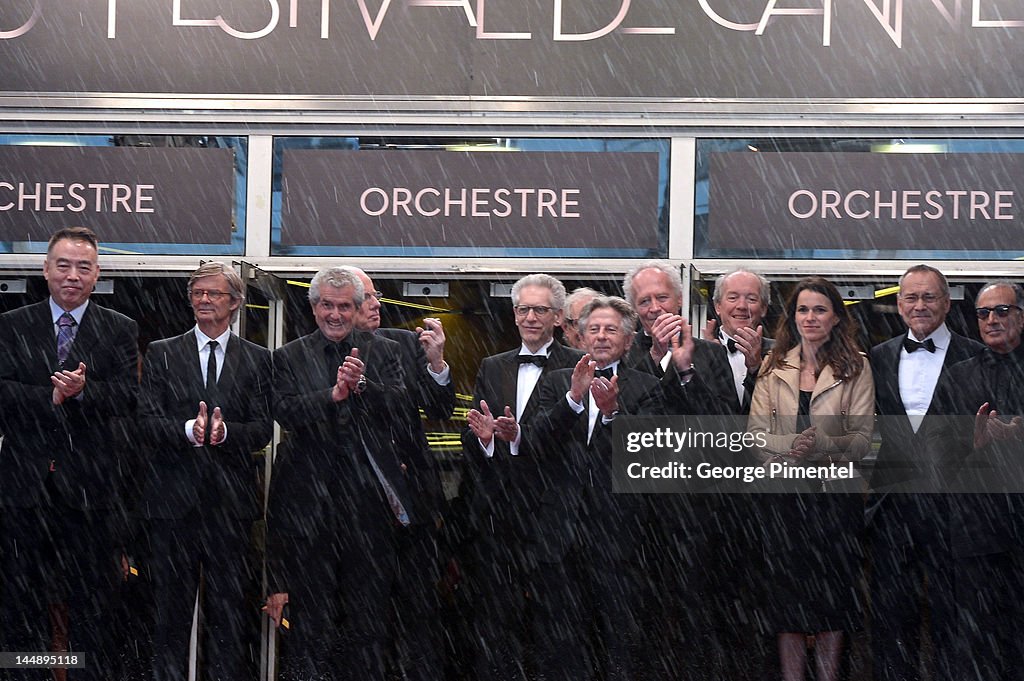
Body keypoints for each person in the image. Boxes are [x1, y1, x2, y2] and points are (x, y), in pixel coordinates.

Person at [264, 267, 422, 681]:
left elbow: (402, 409)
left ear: (357, 308)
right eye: (327, 305)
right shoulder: (288, 355)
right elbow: (283, 411)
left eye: (344, 306)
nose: (335, 314)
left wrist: (362, 383)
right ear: (314, 307)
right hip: (310, 508)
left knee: (368, 624)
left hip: (369, 508)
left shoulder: (383, 350)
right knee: (310, 627)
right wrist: (331, 395)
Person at [0, 227, 139, 680]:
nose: (73, 275)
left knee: (94, 610)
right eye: (64, 265)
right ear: (45, 269)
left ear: (97, 274)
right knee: (20, 608)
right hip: (24, 493)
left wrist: (84, 392)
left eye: (84, 267)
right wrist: (49, 399)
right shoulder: (12, 325)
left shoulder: (120, 329)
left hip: (91, 497)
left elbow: (128, 398)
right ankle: (28, 675)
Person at [137, 261, 273, 681]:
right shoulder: (163, 352)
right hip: (172, 507)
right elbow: (143, 421)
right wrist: (188, 431)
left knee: (228, 613)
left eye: (213, 294)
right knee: (169, 616)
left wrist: (225, 432)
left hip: (229, 509)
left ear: (235, 302)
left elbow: (263, 429)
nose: (204, 300)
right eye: (197, 293)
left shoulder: (257, 358)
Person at [747, 276, 874, 681]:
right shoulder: (773, 365)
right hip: (783, 504)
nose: (810, 317)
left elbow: (861, 441)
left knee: (832, 604)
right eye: (802, 309)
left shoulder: (857, 366)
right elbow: (754, 438)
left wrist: (818, 447)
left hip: (835, 502)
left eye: (819, 309)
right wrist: (793, 445)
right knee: (786, 607)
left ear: (836, 317)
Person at [460, 273, 585, 679]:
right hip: (499, 519)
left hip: (556, 517)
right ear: (514, 315)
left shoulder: (577, 367)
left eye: (540, 310)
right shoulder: (491, 366)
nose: (531, 317)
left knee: (557, 629)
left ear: (558, 317)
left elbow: (573, 441)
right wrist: (486, 441)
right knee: (495, 624)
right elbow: (475, 438)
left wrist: (521, 438)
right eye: (523, 309)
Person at [533, 295, 664, 680]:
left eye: (611, 330)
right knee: (562, 641)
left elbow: (651, 454)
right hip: (562, 534)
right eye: (594, 329)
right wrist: (574, 399)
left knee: (619, 639)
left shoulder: (647, 386)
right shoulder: (556, 380)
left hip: (619, 536)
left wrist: (612, 416)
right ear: (579, 336)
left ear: (628, 340)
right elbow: (538, 443)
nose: (602, 337)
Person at [868, 265, 982, 681]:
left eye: (929, 297)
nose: (919, 306)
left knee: (955, 618)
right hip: (893, 508)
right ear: (898, 305)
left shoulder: (976, 354)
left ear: (947, 303)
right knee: (892, 618)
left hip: (955, 509)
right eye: (911, 297)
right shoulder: (878, 357)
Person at [343, 265, 452, 677]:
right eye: (366, 298)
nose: (376, 305)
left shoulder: (406, 342)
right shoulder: (325, 348)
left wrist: (437, 362)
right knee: (365, 616)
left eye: (375, 296)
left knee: (420, 610)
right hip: (357, 500)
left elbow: (440, 410)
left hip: (412, 498)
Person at [926, 281, 1024, 680]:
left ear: (1021, 315)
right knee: (977, 640)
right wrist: (975, 438)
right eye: (983, 313)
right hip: (976, 528)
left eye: (1001, 310)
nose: (991, 320)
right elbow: (934, 448)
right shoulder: (958, 375)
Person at [621, 260, 736, 414]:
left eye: (662, 298)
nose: (655, 308)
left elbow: (727, 418)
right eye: (644, 301)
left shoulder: (712, 353)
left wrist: (686, 372)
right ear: (634, 308)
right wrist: (655, 355)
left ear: (679, 299)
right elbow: (621, 410)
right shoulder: (622, 352)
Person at [707, 268, 775, 414]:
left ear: (763, 308)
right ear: (718, 306)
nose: (742, 306)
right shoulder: (697, 353)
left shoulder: (781, 353)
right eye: (733, 298)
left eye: (751, 299)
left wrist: (757, 368)